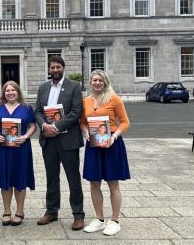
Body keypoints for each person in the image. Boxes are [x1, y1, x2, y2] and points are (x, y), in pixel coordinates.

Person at [35, 56, 85, 230]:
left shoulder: (74, 87)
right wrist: (44, 126)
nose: (55, 70)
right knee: (51, 178)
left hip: (68, 140)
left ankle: (78, 215)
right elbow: (38, 112)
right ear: (49, 70)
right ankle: (51, 211)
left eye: (58, 67)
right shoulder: (43, 88)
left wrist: (55, 126)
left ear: (63, 68)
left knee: (73, 179)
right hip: (49, 141)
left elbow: (76, 112)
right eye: (52, 68)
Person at [80, 70, 130, 236]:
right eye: (94, 80)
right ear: (90, 82)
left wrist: (114, 137)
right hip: (93, 145)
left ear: (105, 82)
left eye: (100, 80)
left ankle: (115, 221)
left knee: (113, 183)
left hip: (111, 145)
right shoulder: (86, 101)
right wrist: (86, 134)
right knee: (94, 182)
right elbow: (82, 123)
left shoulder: (114, 99)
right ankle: (99, 219)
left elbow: (125, 122)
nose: (97, 83)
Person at [0, 80, 36, 226]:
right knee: (5, 179)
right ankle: (7, 211)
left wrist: (25, 136)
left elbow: (33, 126)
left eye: (13, 90)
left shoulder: (26, 108)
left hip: (21, 148)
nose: (10, 93)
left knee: (19, 179)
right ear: (4, 93)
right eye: (7, 90)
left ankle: (20, 211)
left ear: (18, 92)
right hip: (2, 148)